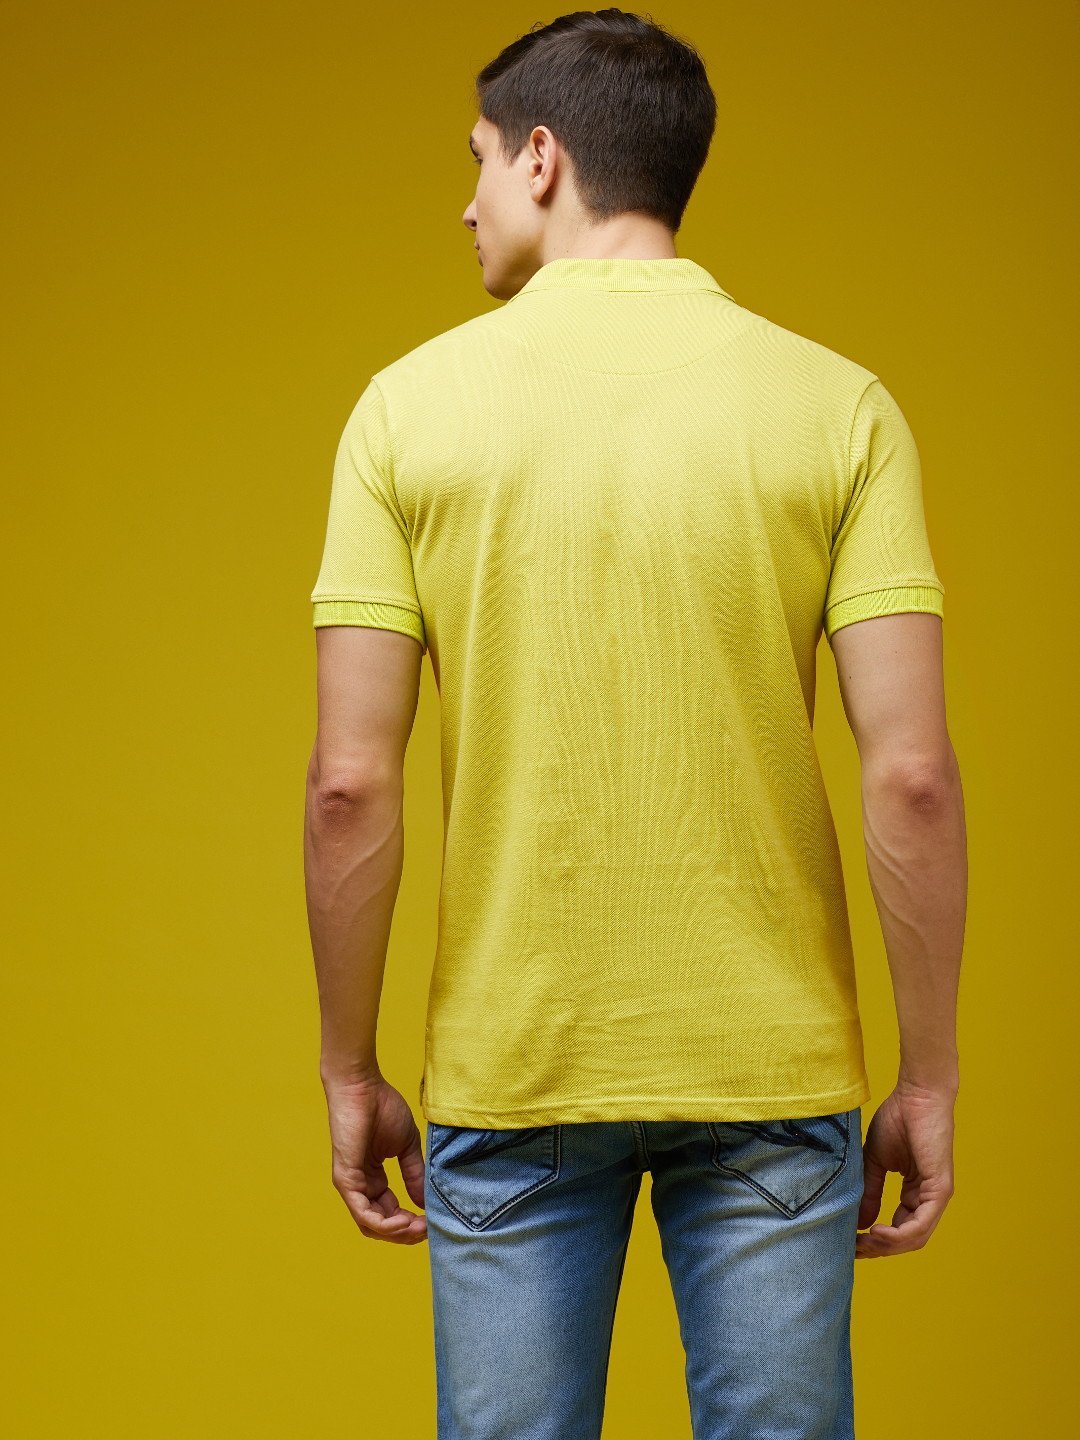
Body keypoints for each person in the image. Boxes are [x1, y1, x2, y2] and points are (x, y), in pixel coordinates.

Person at [303, 9, 966, 1438]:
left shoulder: (405, 412)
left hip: (516, 1064)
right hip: (774, 1065)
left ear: (542, 158)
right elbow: (910, 775)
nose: (465, 200)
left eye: (477, 159)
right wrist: (930, 1073)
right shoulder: (839, 407)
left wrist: (350, 1069)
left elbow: (350, 785)